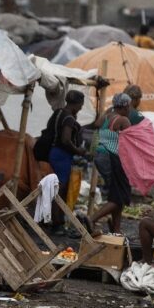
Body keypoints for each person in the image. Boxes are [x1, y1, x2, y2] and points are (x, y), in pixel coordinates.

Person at [89, 93, 132, 234]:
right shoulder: (123, 120)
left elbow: (95, 125)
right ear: (125, 106)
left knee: (116, 193)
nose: (130, 109)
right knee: (121, 195)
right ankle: (92, 219)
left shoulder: (106, 117)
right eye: (129, 105)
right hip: (112, 158)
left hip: (100, 157)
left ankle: (116, 229)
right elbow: (132, 141)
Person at [48, 90, 89, 232]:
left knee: (57, 188)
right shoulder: (69, 119)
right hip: (62, 156)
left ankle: (57, 220)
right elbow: (66, 140)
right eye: (81, 105)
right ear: (76, 103)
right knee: (59, 189)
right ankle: (57, 223)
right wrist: (78, 151)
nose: (81, 108)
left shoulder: (59, 113)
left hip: (54, 153)